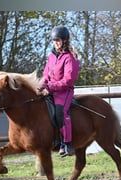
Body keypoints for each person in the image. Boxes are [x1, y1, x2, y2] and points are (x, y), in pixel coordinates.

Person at [38, 25, 80, 157]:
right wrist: (40, 86)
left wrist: (50, 88)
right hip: (51, 90)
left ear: (64, 41)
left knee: (60, 112)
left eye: (58, 40)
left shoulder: (69, 57)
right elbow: (46, 74)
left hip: (64, 91)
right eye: (54, 40)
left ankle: (67, 144)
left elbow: (68, 80)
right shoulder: (51, 56)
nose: (55, 43)